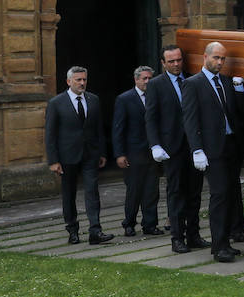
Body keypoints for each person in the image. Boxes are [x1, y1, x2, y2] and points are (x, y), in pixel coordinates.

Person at [181, 41, 244, 262]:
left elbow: (235, 113)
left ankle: (226, 240)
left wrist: (239, 90)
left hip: (231, 146)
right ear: (205, 57)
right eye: (216, 58)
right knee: (219, 195)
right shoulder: (194, 84)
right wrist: (197, 150)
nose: (219, 62)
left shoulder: (226, 81)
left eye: (222, 59)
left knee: (230, 194)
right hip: (211, 149)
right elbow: (190, 120)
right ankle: (219, 246)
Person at [145, 44, 206, 254]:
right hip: (172, 147)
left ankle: (194, 235)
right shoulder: (156, 85)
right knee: (176, 192)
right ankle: (177, 237)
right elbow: (150, 117)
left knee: (195, 192)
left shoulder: (193, 79)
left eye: (179, 60)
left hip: (194, 146)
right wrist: (155, 144)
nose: (176, 64)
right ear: (163, 63)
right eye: (171, 61)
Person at [44, 65, 112, 245]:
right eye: (78, 80)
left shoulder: (93, 100)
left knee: (92, 191)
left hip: (90, 154)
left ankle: (95, 231)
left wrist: (102, 152)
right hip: (67, 156)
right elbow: (50, 134)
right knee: (69, 194)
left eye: (84, 80)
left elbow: (98, 128)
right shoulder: (56, 103)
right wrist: (53, 160)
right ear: (69, 81)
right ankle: (72, 230)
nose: (82, 83)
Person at [113, 65, 162, 237]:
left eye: (150, 78)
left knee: (151, 191)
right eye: (144, 78)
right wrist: (119, 154)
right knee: (134, 191)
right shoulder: (124, 99)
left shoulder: (156, 97)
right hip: (133, 153)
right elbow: (118, 128)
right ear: (136, 79)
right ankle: (129, 223)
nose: (148, 82)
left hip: (152, 152)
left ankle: (150, 224)